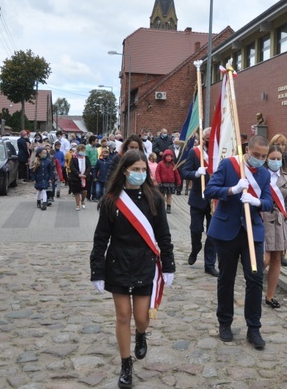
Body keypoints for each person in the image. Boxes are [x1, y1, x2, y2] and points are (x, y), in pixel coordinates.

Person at [89, 149, 175, 388]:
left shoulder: (154, 198)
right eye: (135, 169)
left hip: (144, 264)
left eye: (143, 170)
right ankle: (126, 365)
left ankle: (140, 334)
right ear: (124, 171)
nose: (139, 173)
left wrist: (168, 265)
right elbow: (100, 238)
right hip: (117, 264)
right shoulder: (110, 200)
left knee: (141, 317)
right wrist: (96, 270)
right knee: (123, 316)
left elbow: (164, 237)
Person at [204, 135, 273, 350]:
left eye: (263, 156)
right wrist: (232, 189)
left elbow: (269, 201)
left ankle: (254, 328)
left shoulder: (263, 173)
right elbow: (209, 190)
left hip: (252, 233)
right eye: (256, 155)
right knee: (227, 278)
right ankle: (225, 322)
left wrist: (257, 201)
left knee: (255, 279)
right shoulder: (229, 165)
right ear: (247, 151)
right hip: (227, 231)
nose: (259, 160)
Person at [180, 128, 218, 277]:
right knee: (196, 230)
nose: (209, 142)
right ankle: (195, 248)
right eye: (206, 139)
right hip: (198, 198)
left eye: (211, 139)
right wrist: (197, 173)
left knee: (213, 233)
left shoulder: (219, 154)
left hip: (214, 200)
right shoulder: (195, 153)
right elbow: (184, 172)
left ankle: (210, 264)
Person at [262, 145, 287, 309]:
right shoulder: (261, 175)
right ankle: (252, 283)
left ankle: (270, 296)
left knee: (276, 259)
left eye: (278, 158)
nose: (275, 161)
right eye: (272, 158)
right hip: (263, 219)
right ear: (267, 159)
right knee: (264, 259)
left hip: (280, 222)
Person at [269, 133, 287, 266]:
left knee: (277, 258)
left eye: (283, 144)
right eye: (277, 144)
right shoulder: (265, 168)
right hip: (267, 212)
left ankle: (283, 253)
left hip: (282, 205)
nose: (281, 146)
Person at [155, 148, 181, 214]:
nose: (169, 158)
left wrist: (178, 182)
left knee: (169, 196)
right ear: (164, 157)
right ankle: (162, 207)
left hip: (171, 183)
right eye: (167, 156)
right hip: (163, 183)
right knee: (162, 195)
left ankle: (169, 207)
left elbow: (176, 173)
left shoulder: (173, 164)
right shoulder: (160, 164)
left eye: (170, 156)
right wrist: (159, 181)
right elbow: (157, 173)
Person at [69, 144, 92, 211]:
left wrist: (86, 174)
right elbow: (72, 167)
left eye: (83, 150)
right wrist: (78, 174)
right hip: (76, 177)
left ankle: (83, 200)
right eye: (81, 150)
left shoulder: (86, 157)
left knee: (84, 191)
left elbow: (89, 166)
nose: (82, 151)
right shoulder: (74, 157)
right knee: (76, 192)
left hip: (85, 177)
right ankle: (78, 204)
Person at [32, 146, 54, 210]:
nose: (45, 154)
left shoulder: (48, 161)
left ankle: (44, 203)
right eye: (43, 153)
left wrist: (50, 178)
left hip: (45, 178)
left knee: (44, 190)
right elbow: (33, 172)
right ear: (39, 154)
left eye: (45, 153)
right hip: (38, 179)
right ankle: (38, 201)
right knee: (39, 191)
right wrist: (33, 179)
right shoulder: (36, 161)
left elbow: (50, 170)